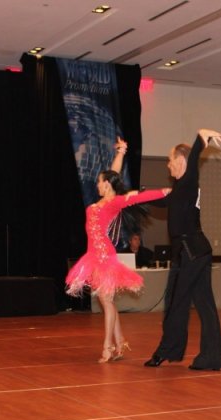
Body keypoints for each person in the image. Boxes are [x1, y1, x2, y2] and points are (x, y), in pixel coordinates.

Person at [66, 139, 170, 363]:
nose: (97, 184)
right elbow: (113, 173)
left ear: (106, 185)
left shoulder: (114, 203)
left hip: (105, 257)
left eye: (99, 182)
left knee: (106, 301)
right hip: (93, 256)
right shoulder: (102, 201)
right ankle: (120, 343)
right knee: (107, 302)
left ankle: (108, 346)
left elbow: (140, 196)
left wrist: (165, 191)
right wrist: (121, 151)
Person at [144, 128, 221, 371]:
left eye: (170, 160)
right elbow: (158, 199)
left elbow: (193, 158)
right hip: (196, 251)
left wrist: (201, 137)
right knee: (204, 305)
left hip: (190, 251)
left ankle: (166, 351)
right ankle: (211, 358)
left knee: (175, 302)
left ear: (180, 160)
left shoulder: (188, 181)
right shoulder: (180, 189)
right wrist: (129, 198)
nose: (168, 165)